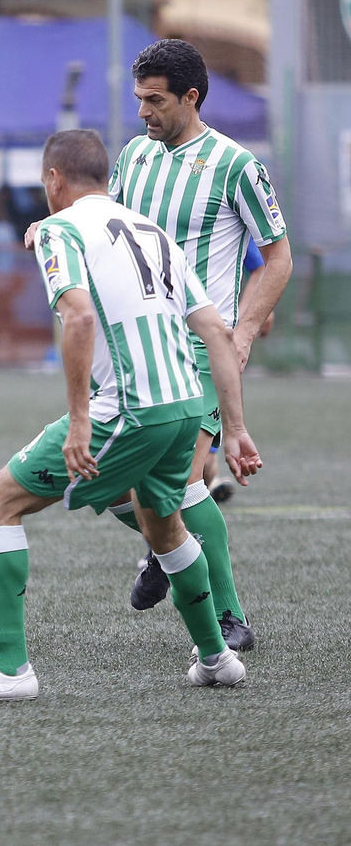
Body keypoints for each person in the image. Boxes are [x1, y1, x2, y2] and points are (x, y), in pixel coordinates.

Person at [0, 130, 262, 703]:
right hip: (185, 404)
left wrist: (80, 420)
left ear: (53, 180)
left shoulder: (60, 229)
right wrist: (233, 428)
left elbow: (80, 319)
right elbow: (215, 330)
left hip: (128, 410)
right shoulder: (153, 231)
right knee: (161, 521)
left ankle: (11, 672)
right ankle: (216, 658)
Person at [106, 39, 290, 650]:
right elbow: (108, 232)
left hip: (195, 353)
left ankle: (230, 618)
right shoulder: (133, 157)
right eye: (138, 99)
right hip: (132, 350)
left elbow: (278, 258)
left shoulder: (236, 165)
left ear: (191, 97)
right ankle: (167, 544)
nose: (143, 113)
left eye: (155, 101)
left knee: (181, 483)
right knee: (111, 485)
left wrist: (239, 333)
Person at [206, 239, 270, 503]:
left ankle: (206, 479)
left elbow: (264, 266)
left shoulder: (225, 207)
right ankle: (208, 480)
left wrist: (241, 322)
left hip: (208, 341)